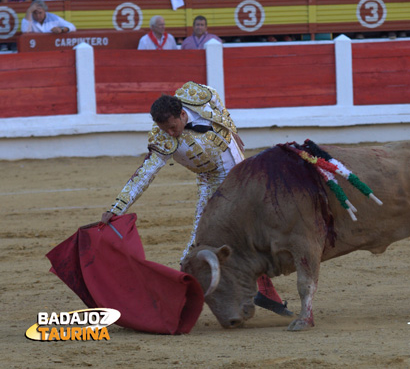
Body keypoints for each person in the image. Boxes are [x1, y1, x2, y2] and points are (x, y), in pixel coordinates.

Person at [100, 82, 292, 316]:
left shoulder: (197, 94)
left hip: (244, 173)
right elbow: (145, 174)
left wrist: (233, 132)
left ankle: (265, 291)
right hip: (214, 182)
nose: (170, 133)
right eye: (165, 129)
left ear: (182, 113)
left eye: (172, 127)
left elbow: (218, 104)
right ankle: (177, 298)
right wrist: (117, 208)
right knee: (198, 242)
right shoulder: (162, 140)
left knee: (259, 230)